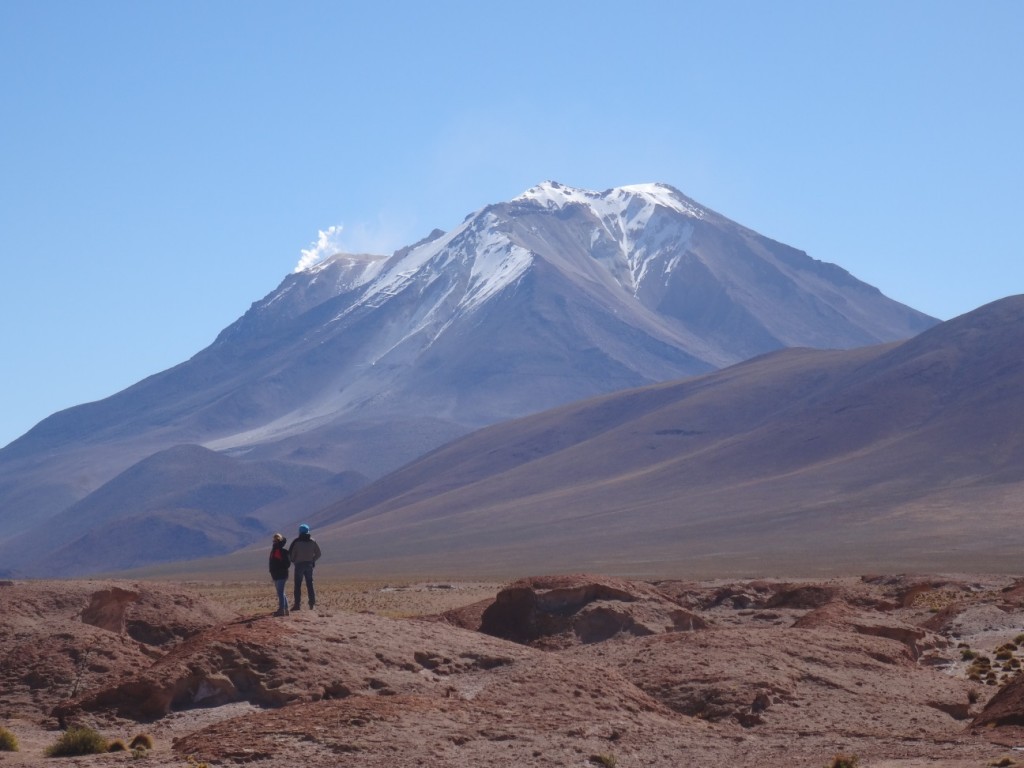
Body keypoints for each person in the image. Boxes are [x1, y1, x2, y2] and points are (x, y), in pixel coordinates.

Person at [288, 523, 322, 610]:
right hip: (309, 565)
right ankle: (312, 604)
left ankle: (297, 605)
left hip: (299, 565)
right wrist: (312, 560)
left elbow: (291, 555)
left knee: (298, 585)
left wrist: (295, 560)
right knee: (310, 584)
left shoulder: (297, 542)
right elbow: (318, 553)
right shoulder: (312, 541)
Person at [268, 533, 290, 616]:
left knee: (280, 592)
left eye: (276, 541)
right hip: (276, 575)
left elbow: (287, 564)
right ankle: (286, 609)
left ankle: (281, 610)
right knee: (281, 592)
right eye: (274, 540)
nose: (274, 542)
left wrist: (280, 568)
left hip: (281, 575)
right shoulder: (274, 551)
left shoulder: (281, 552)